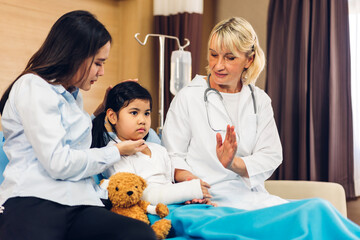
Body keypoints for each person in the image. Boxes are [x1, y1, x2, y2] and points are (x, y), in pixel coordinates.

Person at [0, 10, 156, 240]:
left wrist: (102, 109)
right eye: (98, 63)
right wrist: (115, 151)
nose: (101, 72)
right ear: (75, 56)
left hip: (81, 202)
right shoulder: (33, 86)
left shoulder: (73, 94)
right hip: (35, 199)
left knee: (139, 234)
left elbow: (73, 137)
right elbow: (59, 163)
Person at [162, 16, 287, 210]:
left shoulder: (259, 100)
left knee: (317, 211)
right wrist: (193, 185)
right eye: (213, 55)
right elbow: (172, 156)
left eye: (229, 58)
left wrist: (232, 163)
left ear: (249, 59)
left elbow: (271, 155)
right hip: (206, 199)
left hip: (253, 199)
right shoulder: (188, 97)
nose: (218, 65)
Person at [91, 81, 212, 205]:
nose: (142, 120)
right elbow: (134, 194)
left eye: (147, 113)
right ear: (112, 116)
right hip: (148, 211)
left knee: (214, 213)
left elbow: (170, 185)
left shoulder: (159, 150)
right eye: (134, 113)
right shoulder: (114, 153)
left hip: (173, 205)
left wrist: (189, 197)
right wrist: (188, 191)